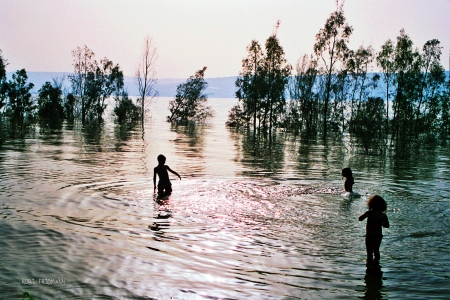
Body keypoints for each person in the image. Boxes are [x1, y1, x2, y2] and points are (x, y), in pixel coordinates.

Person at [359, 195, 390, 267]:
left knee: (369, 253)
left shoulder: (369, 213)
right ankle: (376, 265)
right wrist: (380, 223)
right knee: (376, 250)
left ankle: (369, 267)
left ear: (371, 204)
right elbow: (387, 226)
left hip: (369, 235)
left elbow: (360, 219)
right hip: (378, 235)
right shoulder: (383, 215)